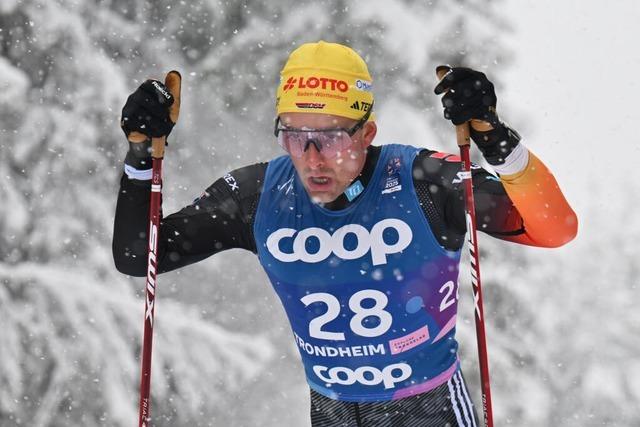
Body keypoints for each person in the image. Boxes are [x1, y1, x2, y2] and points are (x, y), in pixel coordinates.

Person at [113, 41, 577, 426]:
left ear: (366, 132)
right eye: (295, 137)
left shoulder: (425, 182)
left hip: (427, 408)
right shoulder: (257, 196)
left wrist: (494, 137)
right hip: (331, 409)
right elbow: (139, 256)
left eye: (332, 138)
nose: (313, 158)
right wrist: (139, 155)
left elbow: (555, 229)